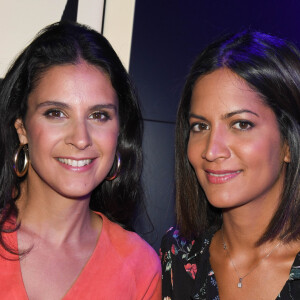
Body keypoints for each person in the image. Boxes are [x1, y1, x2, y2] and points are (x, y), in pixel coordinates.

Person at [0, 22, 161, 299]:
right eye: (56, 113)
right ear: (22, 128)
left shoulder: (139, 266)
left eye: (99, 115)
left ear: (119, 132)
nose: (81, 138)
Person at [161, 30, 300, 299]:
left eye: (241, 124)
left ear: (288, 144)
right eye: (200, 126)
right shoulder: (178, 253)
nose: (212, 151)